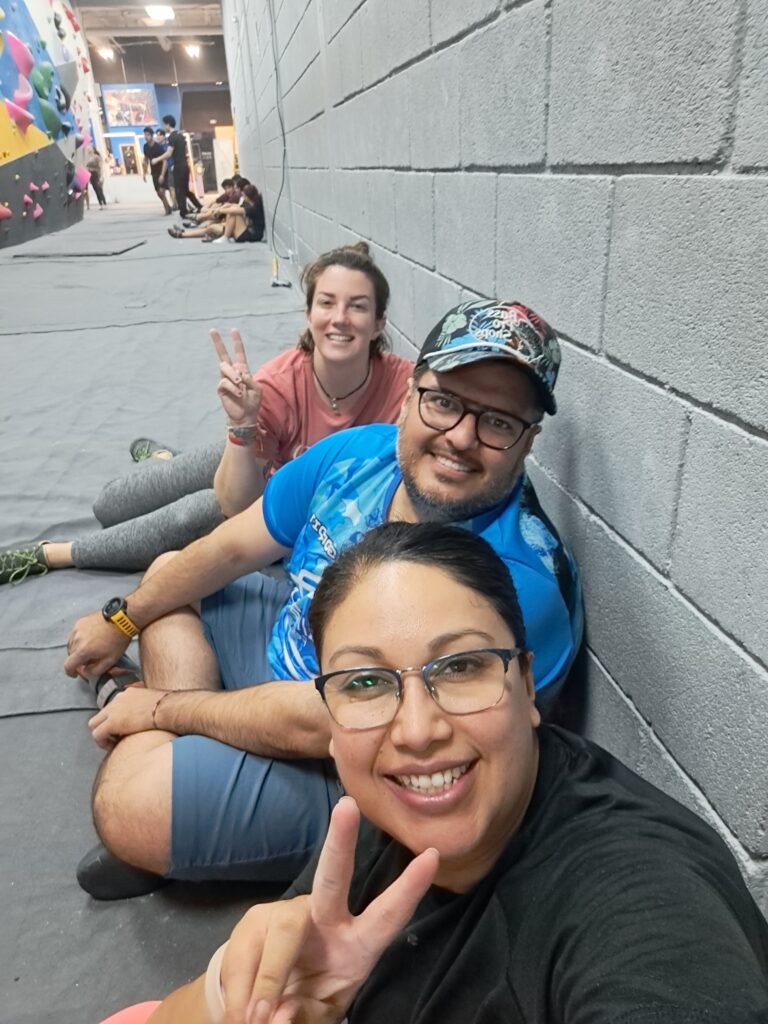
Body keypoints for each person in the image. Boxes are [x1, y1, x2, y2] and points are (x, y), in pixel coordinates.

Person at [110, 523, 768, 1024]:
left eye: (460, 667)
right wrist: (234, 991)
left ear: (528, 684)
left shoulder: (634, 896)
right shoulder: (380, 815)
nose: (418, 730)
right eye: (365, 681)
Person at [64, 298, 583, 900]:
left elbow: (328, 723)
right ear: (411, 395)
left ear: (528, 441)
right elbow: (227, 549)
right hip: (292, 658)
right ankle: (199, 785)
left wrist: (159, 709)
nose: (461, 438)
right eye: (444, 401)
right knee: (166, 576)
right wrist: (122, 616)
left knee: (129, 802)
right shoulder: (357, 455)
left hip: (362, 765)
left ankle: (192, 801)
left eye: (498, 422)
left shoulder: (514, 580)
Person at [0, 243, 411, 582]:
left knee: (190, 516)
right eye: (327, 303)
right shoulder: (278, 384)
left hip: (281, 497)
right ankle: (166, 462)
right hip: (252, 451)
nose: (340, 318)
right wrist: (242, 424)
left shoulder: (406, 389)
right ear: (309, 315)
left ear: (378, 323)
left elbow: (236, 511)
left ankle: (53, 554)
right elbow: (235, 497)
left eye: (357, 307)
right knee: (107, 506)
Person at [168, 184, 265, 243]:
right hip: (245, 231)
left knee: (215, 225)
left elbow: (237, 210)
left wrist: (220, 210)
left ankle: (225, 238)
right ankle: (183, 233)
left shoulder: (254, 208)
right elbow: (235, 207)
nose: (243, 197)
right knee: (211, 226)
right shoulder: (251, 204)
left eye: (244, 196)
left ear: (248, 197)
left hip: (249, 235)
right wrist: (225, 207)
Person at [152, 115, 202, 219]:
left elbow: (169, 153)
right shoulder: (180, 135)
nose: (164, 126)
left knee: (180, 191)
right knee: (185, 190)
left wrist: (157, 159)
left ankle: (183, 212)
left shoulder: (172, 137)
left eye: (164, 124)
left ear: (168, 124)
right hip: (185, 166)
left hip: (179, 167)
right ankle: (199, 206)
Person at [142, 127, 172, 215]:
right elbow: (146, 159)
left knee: (161, 191)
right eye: (145, 135)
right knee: (158, 193)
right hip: (154, 173)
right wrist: (144, 173)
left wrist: (162, 175)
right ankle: (168, 206)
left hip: (162, 171)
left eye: (147, 135)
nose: (146, 137)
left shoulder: (158, 147)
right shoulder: (145, 147)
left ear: (151, 136)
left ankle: (167, 209)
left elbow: (164, 161)